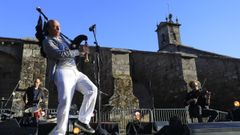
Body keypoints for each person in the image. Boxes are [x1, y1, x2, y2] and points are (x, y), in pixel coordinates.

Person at [42, 19, 97, 134]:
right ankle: (59, 131)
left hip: (74, 71)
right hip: (62, 70)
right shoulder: (47, 41)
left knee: (92, 90)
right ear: (48, 29)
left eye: (59, 26)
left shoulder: (63, 39)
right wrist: (77, 51)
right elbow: (60, 54)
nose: (58, 29)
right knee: (65, 100)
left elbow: (71, 51)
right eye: (55, 27)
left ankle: (82, 121)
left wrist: (82, 53)